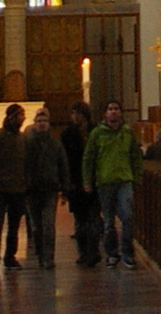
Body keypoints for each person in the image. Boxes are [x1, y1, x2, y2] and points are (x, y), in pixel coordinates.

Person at [82, 98, 143, 268]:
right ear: (105, 113)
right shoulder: (97, 133)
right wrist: (87, 181)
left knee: (128, 217)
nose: (113, 111)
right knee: (108, 222)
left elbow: (135, 156)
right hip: (105, 181)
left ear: (121, 113)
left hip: (124, 179)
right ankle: (112, 254)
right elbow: (89, 158)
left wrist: (137, 177)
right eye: (110, 109)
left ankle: (127, 253)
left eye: (116, 108)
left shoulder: (127, 132)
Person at [23, 107, 69, 269]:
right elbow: (23, 166)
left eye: (44, 121)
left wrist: (65, 189)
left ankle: (49, 256)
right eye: (39, 121)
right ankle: (40, 253)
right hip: (32, 190)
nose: (42, 124)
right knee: (36, 227)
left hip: (50, 189)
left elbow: (63, 166)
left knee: (48, 224)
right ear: (35, 124)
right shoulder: (27, 144)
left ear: (49, 124)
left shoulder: (55, 144)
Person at [0, 102, 28, 268]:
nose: (22, 118)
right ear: (11, 117)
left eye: (23, 115)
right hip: (1, 189)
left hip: (18, 189)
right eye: (20, 115)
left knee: (14, 226)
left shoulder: (22, 138)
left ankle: (10, 256)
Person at [62, 101, 101, 266]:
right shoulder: (67, 135)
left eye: (77, 113)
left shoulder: (96, 131)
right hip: (76, 182)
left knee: (93, 218)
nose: (74, 117)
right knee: (80, 220)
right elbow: (65, 160)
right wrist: (67, 182)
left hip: (94, 180)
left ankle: (93, 251)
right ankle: (83, 252)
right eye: (73, 114)